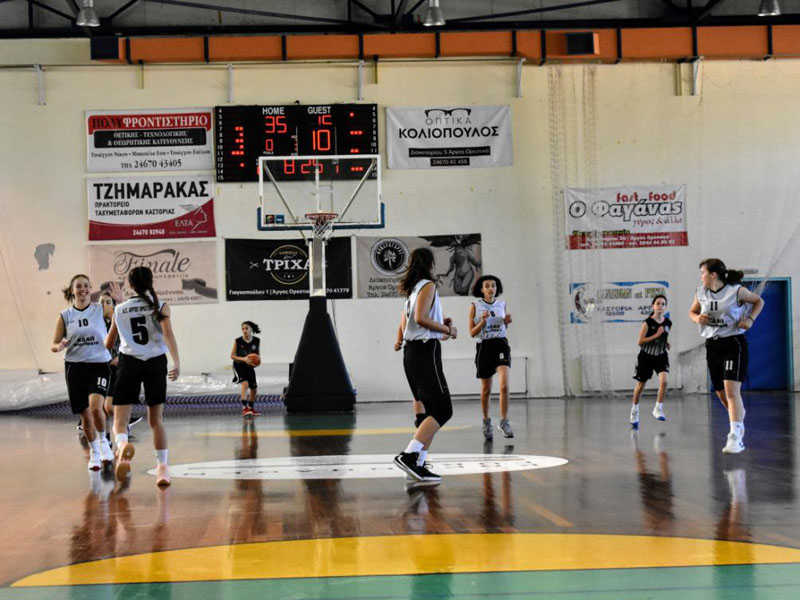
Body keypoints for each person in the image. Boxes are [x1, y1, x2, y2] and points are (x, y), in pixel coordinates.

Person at [105, 266, 180, 486]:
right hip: (155, 362)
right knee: (156, 420)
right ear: (151, 281)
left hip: (129, 362)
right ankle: (162, 468)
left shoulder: (120, 309)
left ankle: (122, 448)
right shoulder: (161, 305)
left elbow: (108, 343)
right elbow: (168, 334)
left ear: (130, 285)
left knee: (120, 421)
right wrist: (177, 362)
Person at [393, 248, 457, 483]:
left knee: (429, 411)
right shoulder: (428, 286)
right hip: (424, 352)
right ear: (430, 263)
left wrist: (400, 340)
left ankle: (418, 463)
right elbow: (421, 319)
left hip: (411, 353)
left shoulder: (412, 290)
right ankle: (409, 456)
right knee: (443, 410)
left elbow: (405, 323)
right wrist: (448, 329)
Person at [689, 258, 764, 454]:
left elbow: (759, 301)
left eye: (703, 273)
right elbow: (692, 312)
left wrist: (750, 319)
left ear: (713, 275)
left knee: (731, 391)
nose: (701, 276)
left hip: (733, 343)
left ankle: (735, 437)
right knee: (721, 393)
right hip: (712, 345)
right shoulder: (701, 292)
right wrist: (698, 318)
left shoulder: (736, 291)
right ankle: (738, 418)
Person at [51, 274, 115, 470]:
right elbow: (54, 344)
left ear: (90, 289)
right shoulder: (65, 315)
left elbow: (119, 316)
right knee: (85, 414)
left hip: (99, 364)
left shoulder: (100, 309)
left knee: (96, 408)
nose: (83, 289)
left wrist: (117, 300)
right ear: (72, 291)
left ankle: (104, 442)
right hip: (75, 367)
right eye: (78, 286)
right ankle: (94, 452)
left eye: (86, 286)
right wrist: (59, 346)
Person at [469, 275, 513, 440]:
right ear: (481, 290)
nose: (490, 288)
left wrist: (506, 322)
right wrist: (482, 322)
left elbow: (503, 326)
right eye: (487, 286)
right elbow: (472, 332)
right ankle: (486, 421)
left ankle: (504, 421)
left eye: (493, 285)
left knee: (504, 386)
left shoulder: (502, 304)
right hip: (484, 346)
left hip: (500, 344)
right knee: (486, 390)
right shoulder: (475, 306)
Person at [630, 295, 671, 428]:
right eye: (658, 303)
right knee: (640, 386)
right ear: (653, 306)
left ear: (665, 307)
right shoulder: (647, 323)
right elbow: (640, 342)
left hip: (661, 356)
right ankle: (634, 410)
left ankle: (658, 408)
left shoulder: (668, 323)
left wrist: (666, 343)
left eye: (663, 304)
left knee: (664, 381)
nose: (660, 306)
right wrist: (656, 335)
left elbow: (663, 337)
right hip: (646, 356)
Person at [395, 310, 427, 429]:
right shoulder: (410, 306)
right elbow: (402, 325)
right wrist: (399, 341)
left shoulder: (416, 306)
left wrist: (446, 330)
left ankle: (422, 420)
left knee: (420, 390)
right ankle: (421, 420)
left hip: (417, 349)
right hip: (413, 349)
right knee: (418, 390)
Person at [231, 321, 261, 416]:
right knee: (245, 383)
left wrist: (257, 362)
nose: (244, 330)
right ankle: (244, 408)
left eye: (246, 328)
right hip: (238, 365)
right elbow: (232, 356)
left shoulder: (256, 340)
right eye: (243, 329)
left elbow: (257, 355)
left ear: (251, 329)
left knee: (254, 388)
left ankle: (251, 408)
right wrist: (244, 359)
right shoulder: (238, 341)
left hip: (249, 366)